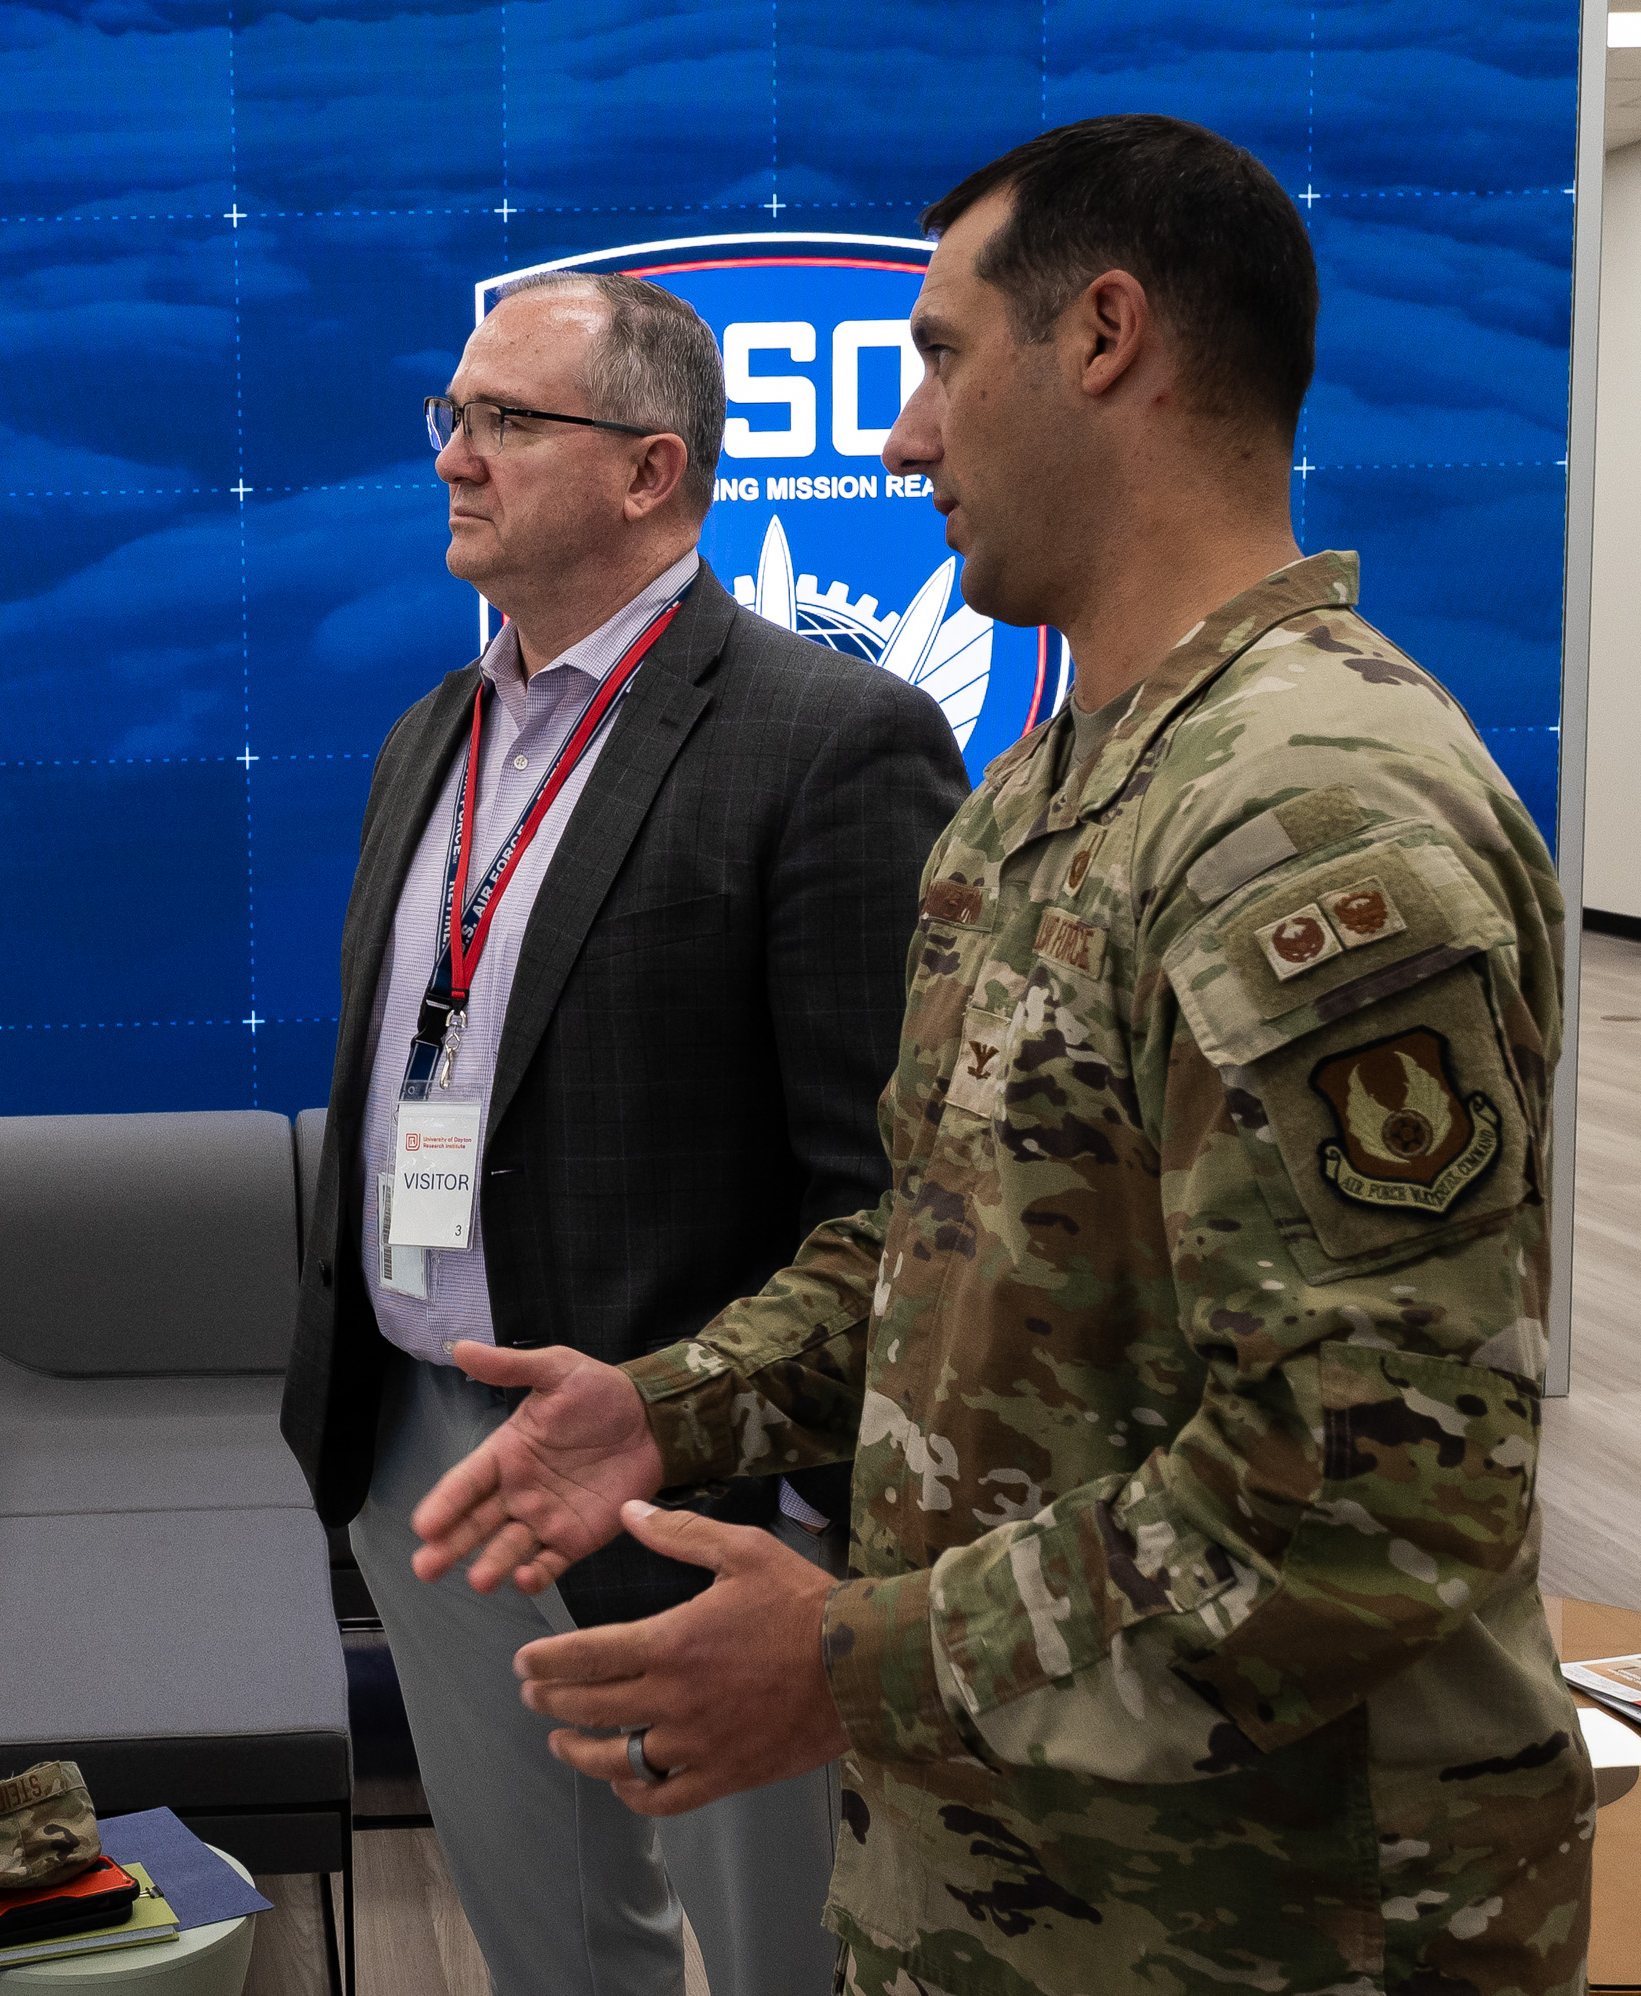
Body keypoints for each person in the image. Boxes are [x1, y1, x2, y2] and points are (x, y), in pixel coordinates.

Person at [412, 114, 1594, 1996]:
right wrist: (674, 1405)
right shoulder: (1047, 797)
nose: (903, 438)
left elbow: (1368, 1498)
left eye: (943, 359)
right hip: (1024, 1892)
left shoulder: (1311, 818)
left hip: (1264, 1923)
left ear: (1106, 337)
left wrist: (848, 1664)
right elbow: (946, 1254)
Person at [280, 271, 967, 1994]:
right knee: (554, 1946)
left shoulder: (831, 741)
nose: (455, 455)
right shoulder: (428, 737)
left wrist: (802, 1506)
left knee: (787, 1955)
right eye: (452, 415)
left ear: (654, 470)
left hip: (689, 1490)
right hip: (422, 1456)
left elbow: (886, 1191)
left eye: (507, 421)